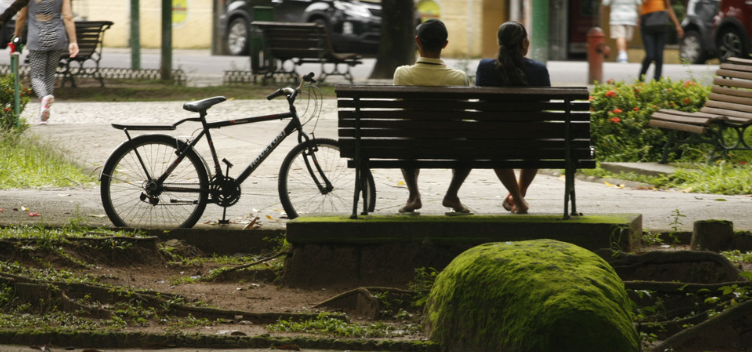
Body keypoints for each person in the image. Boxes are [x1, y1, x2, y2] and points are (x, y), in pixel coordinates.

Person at [393, 18, 472, 215]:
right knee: (470, 145)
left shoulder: (401, 74)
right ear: (445, 44)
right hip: (450, 144)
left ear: (418, 41)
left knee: (406, 136)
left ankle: (413, 196)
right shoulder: (459, 78)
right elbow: (462, 115)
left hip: (411, 144)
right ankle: (452, 195)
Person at [475, 21, 551, 214]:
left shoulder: (485, 67)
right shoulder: (539, 69)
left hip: (496, 140)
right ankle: (518, 196)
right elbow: (545, 107)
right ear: (524, 43)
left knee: (496, 143)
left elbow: (482, 106)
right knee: (534, 140)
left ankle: (517, 197)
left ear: (499, 42)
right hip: (532, 140)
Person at [14, 0, 78, 124]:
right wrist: (73, 41)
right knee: (49, 75)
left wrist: (17, 35)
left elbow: (21, 17)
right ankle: (43, 114)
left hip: (37, 38)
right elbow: (68, 17)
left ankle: (44, 98)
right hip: (56, 38)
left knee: (37, 76)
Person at [638, 0, 683, 81]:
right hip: (647, 25)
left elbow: (668, 7)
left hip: (661, 25)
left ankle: (657, 82)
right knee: (650, 55)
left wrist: (677, 25)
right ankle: (641, 79)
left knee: (659, 55)